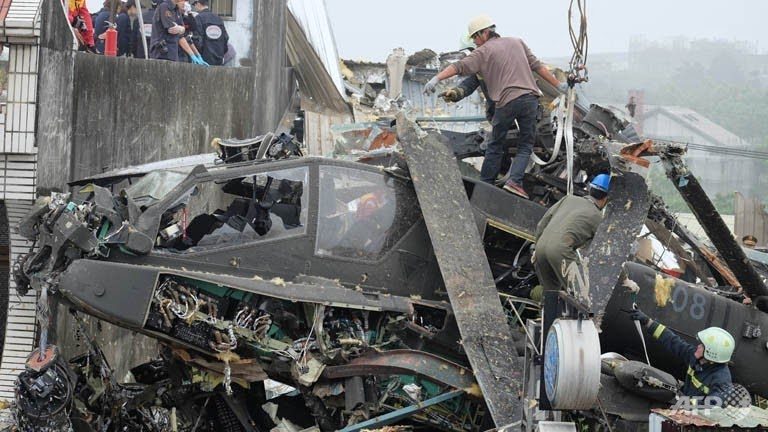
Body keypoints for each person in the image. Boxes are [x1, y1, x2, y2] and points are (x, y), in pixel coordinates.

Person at [423, 15, 565, 198]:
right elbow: (537, 66)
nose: (474, 41)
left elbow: (459, 66)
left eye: (475, 37)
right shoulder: (516, 42)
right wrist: (558, 85)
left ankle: (486, 185)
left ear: (485, 32)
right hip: (529, 100)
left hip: (505, 105)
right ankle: (514, 181)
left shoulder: (482, 53)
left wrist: (436, 78)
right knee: (525, 145)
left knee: (495, 145)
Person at [629, 309, 735, 405]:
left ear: (711, 354)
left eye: (703, 346)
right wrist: (648, 322)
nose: (698, 346)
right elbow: (673, 341)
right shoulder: (696, 357)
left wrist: (686, 402)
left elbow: (713, 408)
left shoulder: (722, 380)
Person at [533, 174, 609, 292]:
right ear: (605, 199)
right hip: (560, 253)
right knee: (582, 294)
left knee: (550, 294)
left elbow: (542, 224)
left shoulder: (568, 199)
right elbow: (607, 252)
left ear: (589, 188)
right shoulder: (598, 217)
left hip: (540, 248)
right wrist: (625, 280)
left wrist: (536, 247)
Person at [438, 35, 495, 122]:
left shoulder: (496, 65)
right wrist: (454, 93)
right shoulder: (480, 70)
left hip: (510, 114)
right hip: (498, 116)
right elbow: (468, 85)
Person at [149, 0, 208, 65]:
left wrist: (197, 55)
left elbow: (185, 34)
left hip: (173, 54)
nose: (185, 4)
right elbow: (173, 30)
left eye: (186, 1)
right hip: (161, 54)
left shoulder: (177, 10)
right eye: (183, 1)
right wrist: (181, 29)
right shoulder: (165, 6)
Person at [193, 0, 229, 65]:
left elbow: (197, 40)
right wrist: (220, 54)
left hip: (204, 61)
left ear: (198, 3)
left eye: (194, 4)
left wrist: (199, 55)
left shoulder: (198, 18)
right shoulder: (218, 18)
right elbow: (225, 38)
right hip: (219, 60)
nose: (194, 7)